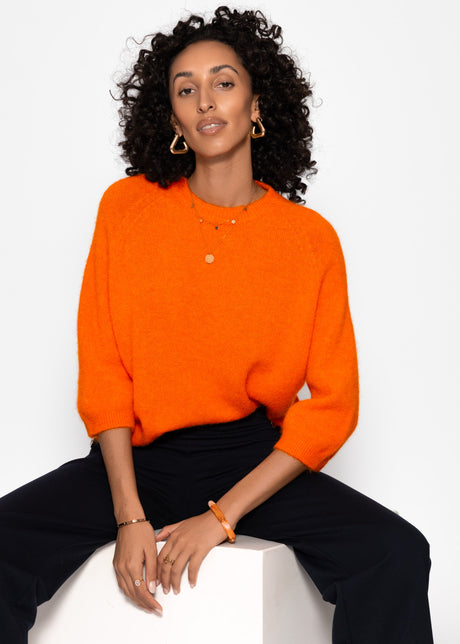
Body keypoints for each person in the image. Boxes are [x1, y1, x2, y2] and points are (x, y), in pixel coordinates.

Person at [0, 6, 433, 643]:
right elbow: (104, 369)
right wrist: (129, 516)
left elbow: (333, 407)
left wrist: (221, 518)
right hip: (136, 460)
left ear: (256, 105)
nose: (205, 100)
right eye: (186, 89)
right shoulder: (126, 209)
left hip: (248, 460)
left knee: (395, 554)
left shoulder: (309, 240)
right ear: (173, 118)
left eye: (223, 82)